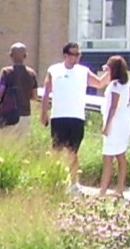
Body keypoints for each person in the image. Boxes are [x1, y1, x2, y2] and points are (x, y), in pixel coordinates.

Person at [40, 42, 109, 191]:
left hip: (76, 117)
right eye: (73, 54)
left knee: (73, 151)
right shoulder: (54, 70)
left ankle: (73, 182)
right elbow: (46, 92)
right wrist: (43, 112)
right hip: (58, 116)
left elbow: (99, 83)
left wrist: (110, 72)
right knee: (56, 149)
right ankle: (53, 179)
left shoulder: (83, 71)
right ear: (65, 55)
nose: (76, 57)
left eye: (78, 54)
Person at [99, 55, 130, 198]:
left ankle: (103, 190)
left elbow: (112, 107)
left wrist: (106, 126)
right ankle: (119, 188)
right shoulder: (127, 83)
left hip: (114, 124)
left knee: (107, 157)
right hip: (124, 122)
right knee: (121, 155)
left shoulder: (115, 86)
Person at [0, 42, 39, 129]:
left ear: (10, 55)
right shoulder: (31, 73)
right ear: (25, 56)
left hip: (8, 115)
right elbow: (35, 96)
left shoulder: (6, 72)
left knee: (0, 142)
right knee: (20, 143)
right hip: (25, 116)